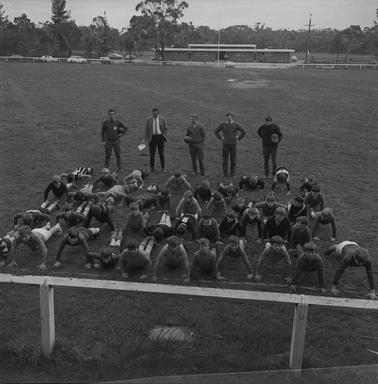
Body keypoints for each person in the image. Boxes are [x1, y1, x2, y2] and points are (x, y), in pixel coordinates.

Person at [214, 112, 246, 177]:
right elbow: (216, 131)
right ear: (226, 118)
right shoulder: (223, 125)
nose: (229, 119)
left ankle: (233, 174)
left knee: (233, 160)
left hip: (233, 144)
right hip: (225, 144)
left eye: (230, 117)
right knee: (225, 160)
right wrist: (220, 137)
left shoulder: (235, 125)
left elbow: (243, 131)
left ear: (232, 118)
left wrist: (239, 138)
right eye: (227, 117)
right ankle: (225, 173)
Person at [144, 107, 168, 173]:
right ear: (152, 113)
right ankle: (151, 168)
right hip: (152, 138)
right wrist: (145, 138)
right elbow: (146, 130)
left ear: (158, 113)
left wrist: (164, 135)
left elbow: (166, 128)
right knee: (152, 154)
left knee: (161, 154)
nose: (154, 114)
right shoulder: (148, 120)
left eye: (156, 113)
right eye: (153, 113)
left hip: (160, 137)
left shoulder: (162, 119)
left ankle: (163, 168)